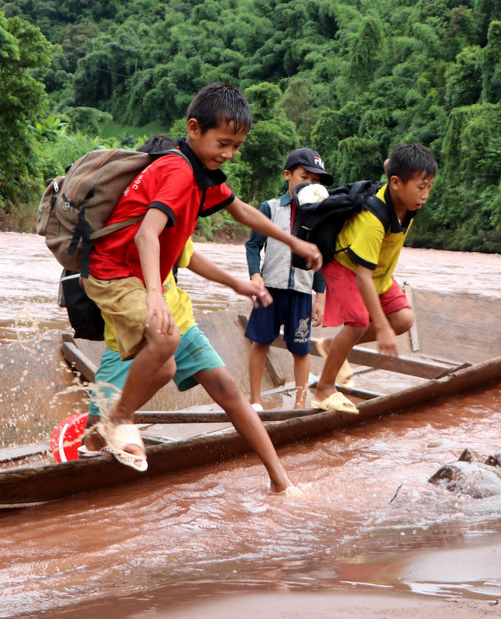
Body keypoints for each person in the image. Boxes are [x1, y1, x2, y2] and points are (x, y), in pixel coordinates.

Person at [81, 82, 322, 475]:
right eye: (223, 143)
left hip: (144, 284)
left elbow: (242, 212)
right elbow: (146, 234)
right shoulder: (177, 171)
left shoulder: (201, 176)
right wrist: (156, 297)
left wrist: (292, 240)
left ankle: (280, 481)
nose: (228, 153)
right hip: (116, 274)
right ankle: (115, 419)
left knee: (169, 367)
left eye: (236, 147)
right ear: (194, 129)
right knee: (164, 341)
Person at [82, 239, 303, 494]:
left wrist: (236, 283)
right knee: (95, 427)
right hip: (133, 333)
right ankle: (91, 487)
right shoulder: (128, 216)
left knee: (227, 387)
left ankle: (280, 480)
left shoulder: (170, 209)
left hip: (179, 319)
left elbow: (188, 255)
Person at [311, 143, 437, 414]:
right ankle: (324, 388)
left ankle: (333, 345)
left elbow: (389, 163)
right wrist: (379, 326)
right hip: (345, 265)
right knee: (358, 322)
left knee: (403, 320)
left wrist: (386, 324)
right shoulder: (373, 219)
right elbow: (362, 277)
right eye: (420, 187)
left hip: (378, 272)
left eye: (429, 186)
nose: (425, 195)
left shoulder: (407, 200)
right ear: (395, 183)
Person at [244, 148, 334, 411]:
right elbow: (253, 245)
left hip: (301, 293)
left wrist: (320, 298)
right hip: (269, 290)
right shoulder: (270, 208)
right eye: (304, 177)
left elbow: (320, 260)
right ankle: (255, 401)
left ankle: (300, 403)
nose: (310, 185)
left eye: (316, 181)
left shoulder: (319, 216)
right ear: (288, 175)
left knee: (301, 350)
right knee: (260, 343)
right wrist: (255, 276)